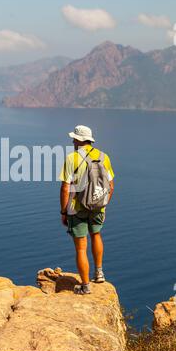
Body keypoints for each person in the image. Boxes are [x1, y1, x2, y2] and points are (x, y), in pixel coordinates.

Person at [59, 125, 115, 295]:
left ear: (79, 140)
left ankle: (85, 286)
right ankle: (99, 273)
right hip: (99, 206)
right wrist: (102, 204)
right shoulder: (104, 156)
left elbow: (65, 188)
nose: (72, 140)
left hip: (77, 208)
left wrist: (63, 211)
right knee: (96, 235)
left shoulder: (72, 158)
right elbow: (111, 186)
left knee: (81, 247)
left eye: (74, 138)